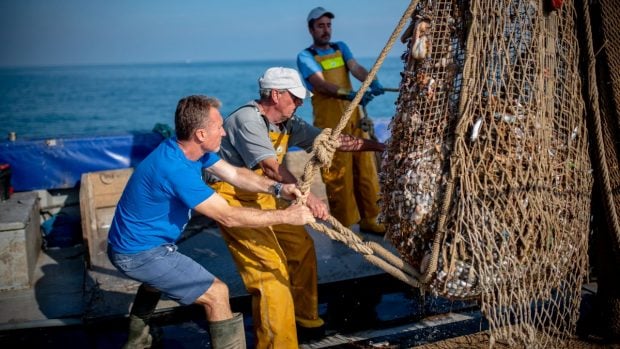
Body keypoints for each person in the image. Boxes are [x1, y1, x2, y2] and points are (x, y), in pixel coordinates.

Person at [107, 95, 316, 349]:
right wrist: (287, 216)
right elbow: (228, 215)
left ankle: (136, 341)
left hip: (138, 245)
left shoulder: (190, 150)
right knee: (217, 294)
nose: (225, 132)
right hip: (139, 253)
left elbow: (236, 175)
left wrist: (279, 189)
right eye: (219, 126)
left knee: (155, 281)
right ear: (201, 134)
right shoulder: (176, 170)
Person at [210, 67, 385, 348]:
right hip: (230, 197)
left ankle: (305, 319)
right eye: (296, 97)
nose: (300, 103)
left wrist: (379, 147)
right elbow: (272, 167)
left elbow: (333, 141)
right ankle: (277, 344)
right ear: (276, 95)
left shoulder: (289, 123)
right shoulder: (248, 119)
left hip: (266, 193)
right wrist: (307, 198)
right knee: (269, 270)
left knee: (301, 247)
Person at [297, 6, 387, 235]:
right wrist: (350, 94)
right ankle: (344, 224)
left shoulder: (341, 47)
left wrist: (371, 81)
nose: (326, 30)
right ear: (311, 29)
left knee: (365, 168)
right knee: (338, 173)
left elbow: (355, 68)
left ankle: (371, 217)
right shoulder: (306, 56)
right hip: (329, 122)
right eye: (320, 26)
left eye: (328, 25)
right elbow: (320, 84)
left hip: (353, 116)